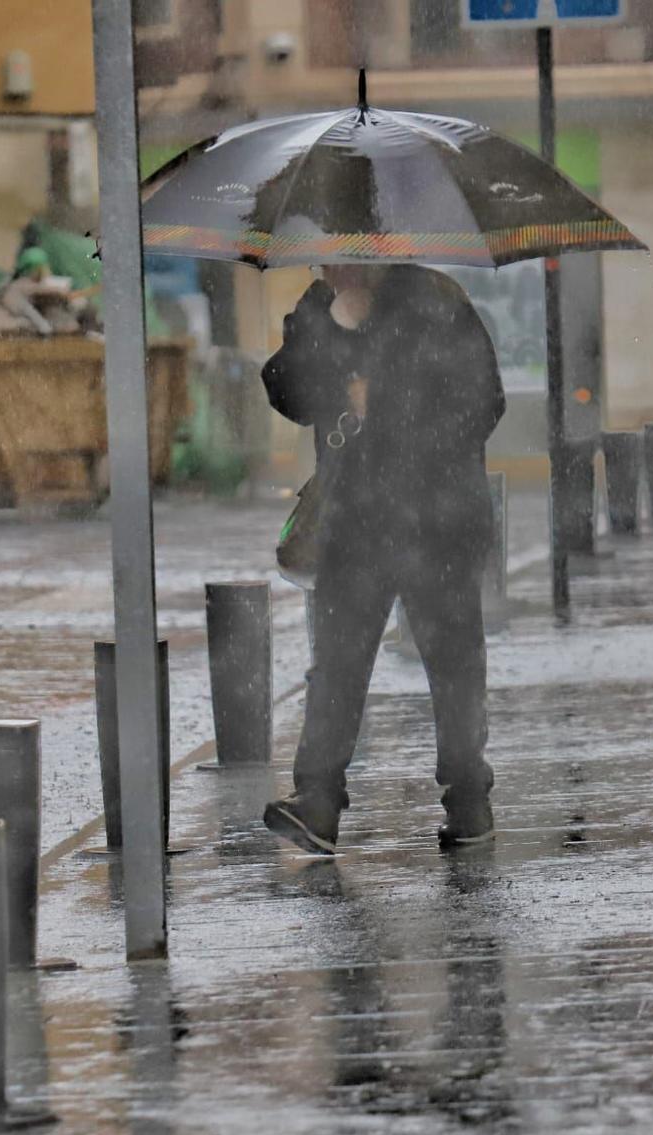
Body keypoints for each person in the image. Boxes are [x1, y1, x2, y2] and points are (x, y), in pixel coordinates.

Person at [260, 262, 506, 856]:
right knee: (337, 664)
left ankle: (469, 801)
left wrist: (390, 400)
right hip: (355, 523)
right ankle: (317, 801)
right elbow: (288, 393)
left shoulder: (439, 300)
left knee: (453, 664)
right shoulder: (320, 304)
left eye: (334, 255)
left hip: (438, 519)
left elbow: (483, 402)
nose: (323, 268)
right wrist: (334, 345)